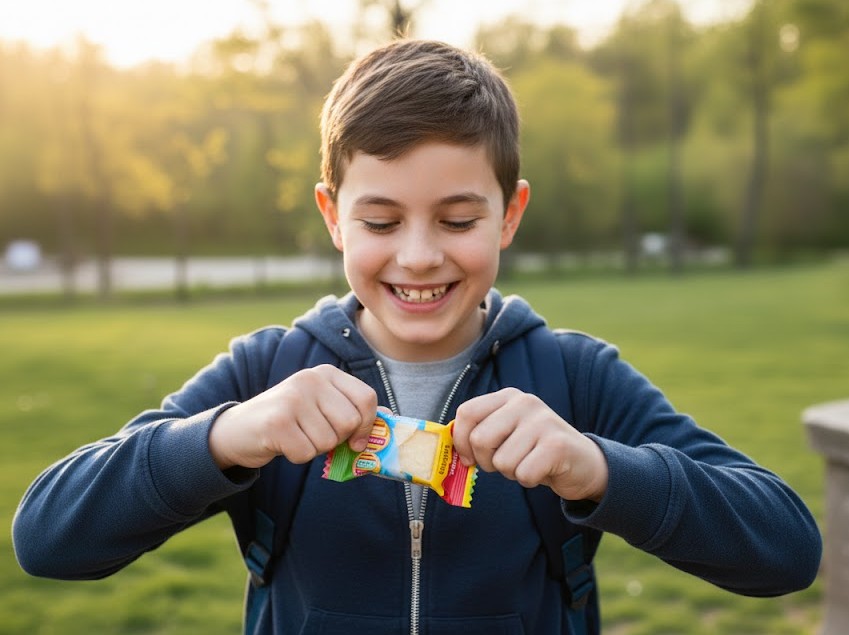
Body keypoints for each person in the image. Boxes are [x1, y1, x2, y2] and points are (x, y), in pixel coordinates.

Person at [13, 39, 821, 634]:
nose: (419, 255)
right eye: (380, 219)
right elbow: (47, 538)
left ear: (510, 213)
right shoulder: (267, 370)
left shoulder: (574, 376)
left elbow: (785, 548)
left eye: (459, 218)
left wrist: (594, 465)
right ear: (332, 216)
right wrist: (229, 434)